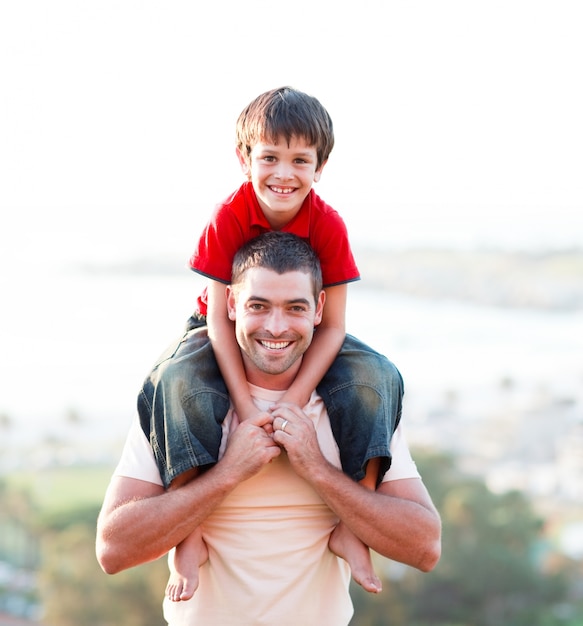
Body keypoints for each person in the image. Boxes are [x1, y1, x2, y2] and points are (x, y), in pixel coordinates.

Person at [96, 232, 441, 626]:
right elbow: (113, 550)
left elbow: (424, 547)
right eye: (258, 306)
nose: (276, 327)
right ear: (230, 305)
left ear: (319, 309)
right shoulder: (184, 399)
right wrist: (227, 473)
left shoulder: (354, 404)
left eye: (295, 307)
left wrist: (317, 468)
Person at [138, 86, 400, 601]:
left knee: (378, 378)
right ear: (245, 159)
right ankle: (188, 535)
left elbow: (334, 326)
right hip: (222, 323)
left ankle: (355, 521)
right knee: (175, 380)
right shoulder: (228, 216)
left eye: (300, 160)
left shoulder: (328, 224)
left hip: (308, 327)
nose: (284, 173)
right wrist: (246, 409)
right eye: (270, 158)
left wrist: (291, 403)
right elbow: (217, 323)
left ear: (320, 166)